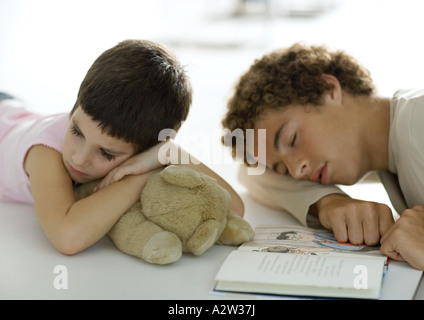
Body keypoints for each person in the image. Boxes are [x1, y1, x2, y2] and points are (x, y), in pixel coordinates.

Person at [0, 39, 243, 256]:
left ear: (146, 150)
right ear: (74, 108)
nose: (79, 158)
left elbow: (232, 206)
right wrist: (143, 176)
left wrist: (170, 153)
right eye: (76, 131)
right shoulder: (45, 151)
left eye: (106, 153)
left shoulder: (137, 143)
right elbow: (67, 237)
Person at [222, 42, 424, 270]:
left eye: (292, 139)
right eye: (282, 168)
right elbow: (252, 175)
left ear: (329, 89)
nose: (297, 171)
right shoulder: (387, 150)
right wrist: (327, 202)